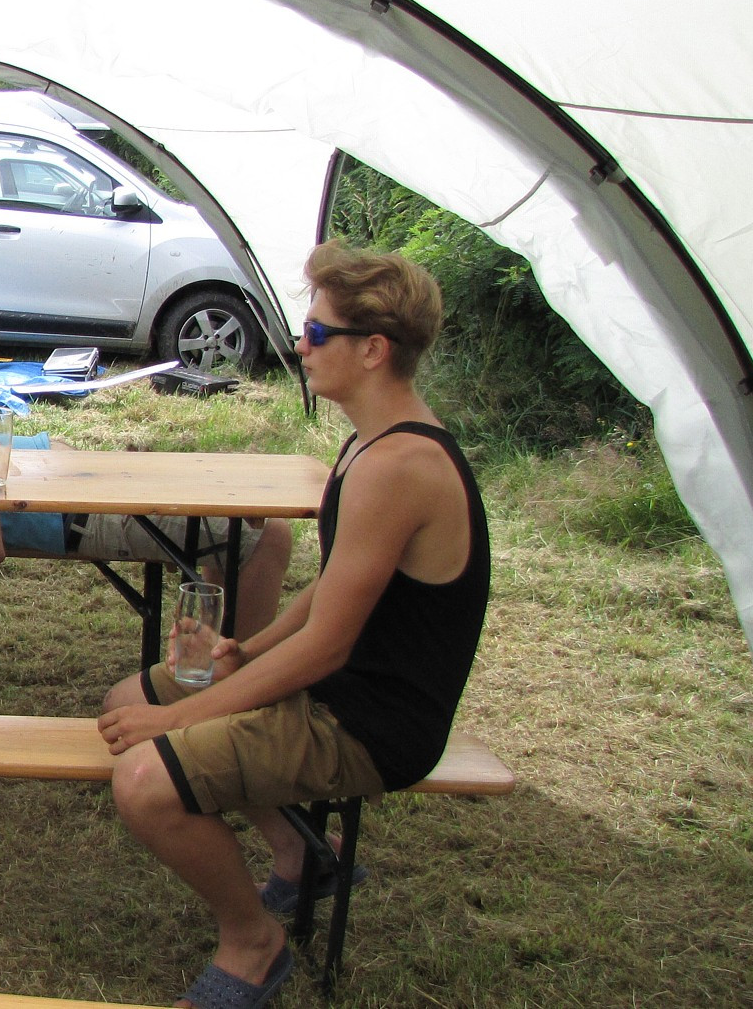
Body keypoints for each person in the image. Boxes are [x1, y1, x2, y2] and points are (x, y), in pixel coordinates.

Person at [96, 241, 490, 1009]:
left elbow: (326, 646)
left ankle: (252, 941)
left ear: (373, 350)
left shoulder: (399, 466)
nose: (299, 346)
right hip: (338, 689)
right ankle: (300, 856)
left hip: (369, 723)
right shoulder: (369, 441)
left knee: (143, 780)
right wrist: (241, 650)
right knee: (125, 701)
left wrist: (179, 717)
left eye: (315, 332)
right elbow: (332, 591)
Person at [0, 425, 293, 641]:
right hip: (87, 514)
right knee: (268, 532)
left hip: (79, 480)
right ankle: (240, 682)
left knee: (235, 505)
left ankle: (214, 656)